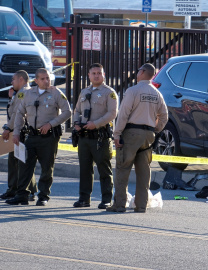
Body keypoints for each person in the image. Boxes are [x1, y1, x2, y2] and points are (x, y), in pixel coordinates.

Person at [106, 63, 168, 213]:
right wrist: (155, 129)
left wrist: (117, 134)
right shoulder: (156, 93)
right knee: (144, 171)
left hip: (132, 133)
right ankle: (141, 205)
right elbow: (164, 116)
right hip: (148, 136)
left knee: (123, 168)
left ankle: (119, 204)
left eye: (139, 70)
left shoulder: (133, 91)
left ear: (142, 72)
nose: (137, 72)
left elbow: (124, 114)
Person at [5, 68, 71, 206]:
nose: (46, 81)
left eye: (48, 78)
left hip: (49, 137)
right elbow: (19, 114)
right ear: (36, 81)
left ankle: (43, 196)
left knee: (47, 167)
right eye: (43, 79)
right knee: (24, 165)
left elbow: (67, 112)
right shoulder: (28, 94)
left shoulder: (56, 93)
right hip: (32, 135)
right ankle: (22, 194)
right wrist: (16, 133)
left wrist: (51, 124)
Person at [72, 63, 118, 209]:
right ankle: (84, 198)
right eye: (94, 73)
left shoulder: (109, 93)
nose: (96, 75)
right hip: (84, 137)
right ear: (89, 76)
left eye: (99, 73)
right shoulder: (84, 91)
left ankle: (106, 199)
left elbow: (112, 113)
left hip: (100, 137)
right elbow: (77, 110)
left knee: (104, 169)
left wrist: (96, 124)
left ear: (103, 75)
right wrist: (76, 123)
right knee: (85, 169)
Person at [0, 70, 37, 201]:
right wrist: (11, 98)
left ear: (21, 79)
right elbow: (12, 110)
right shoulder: (20, 93)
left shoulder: (23, 93)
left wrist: (8, 128)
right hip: (18, 130)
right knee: (18, 161)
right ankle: (20, 190)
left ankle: (22, 190)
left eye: (13, 80)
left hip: (19, 131)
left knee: (20, 162)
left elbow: (16, 114)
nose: (11, 82)